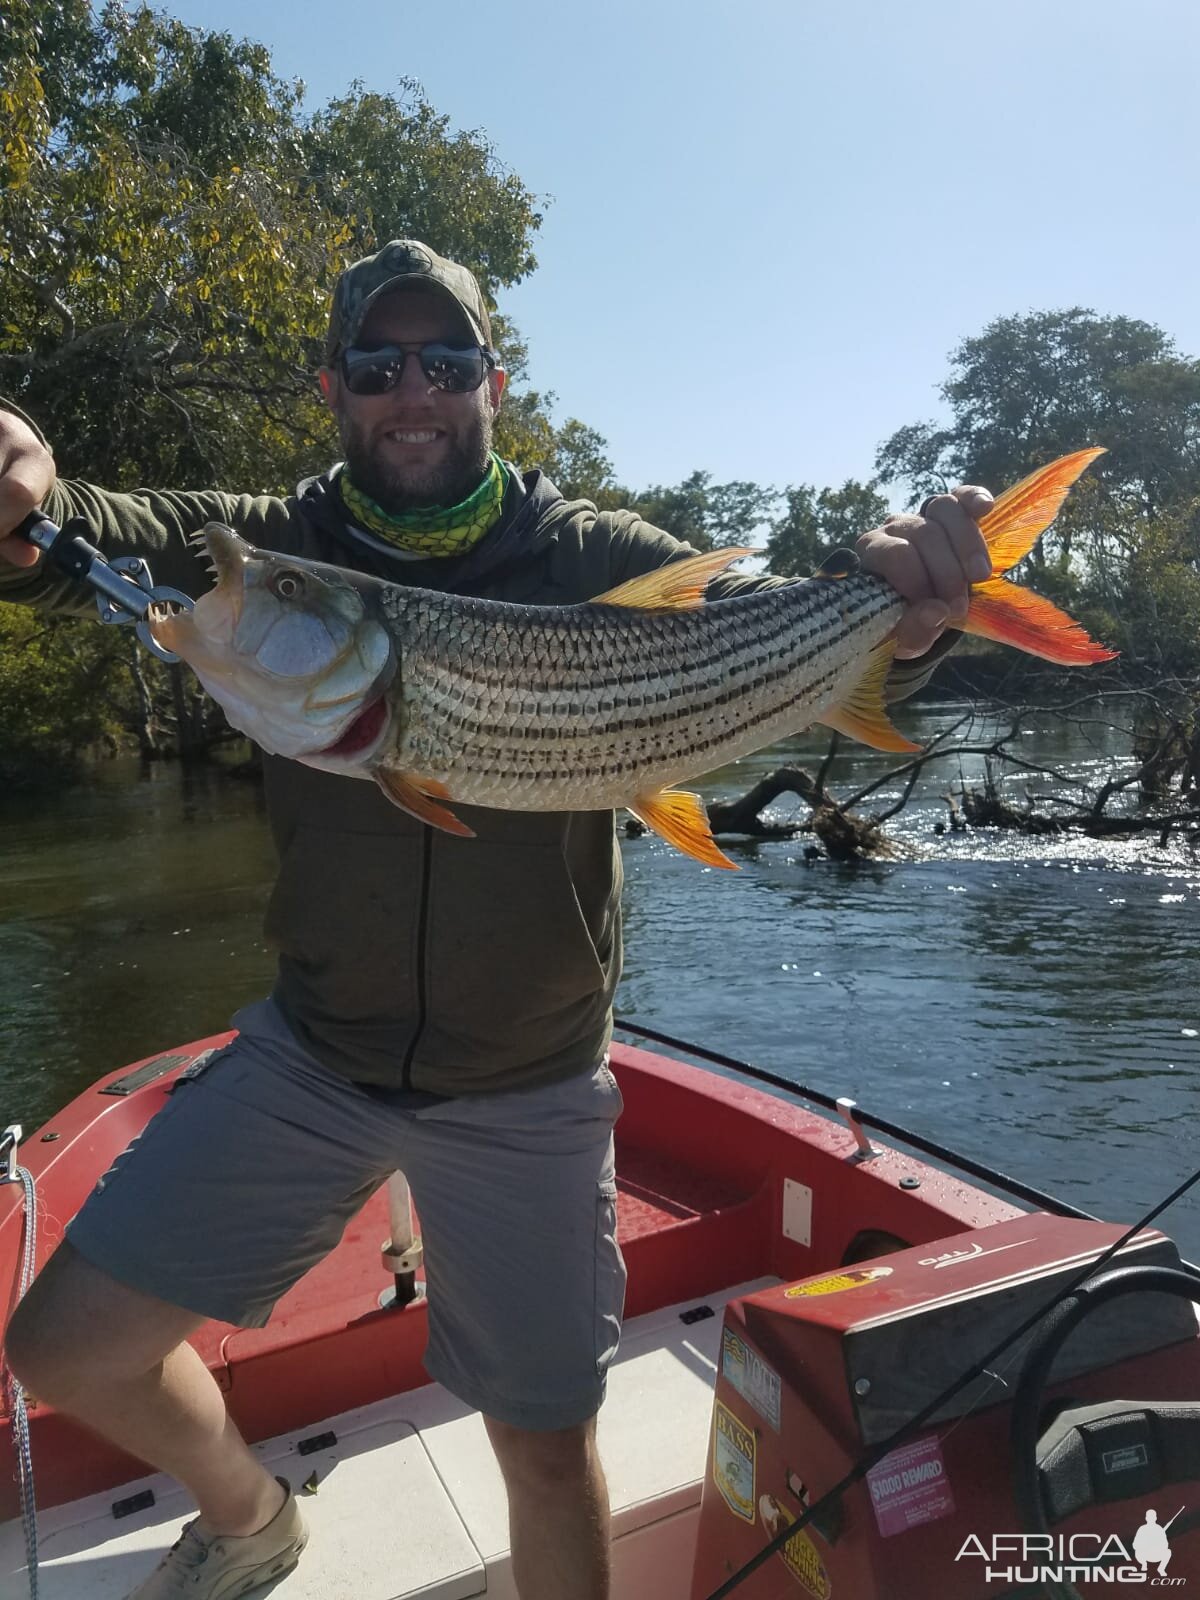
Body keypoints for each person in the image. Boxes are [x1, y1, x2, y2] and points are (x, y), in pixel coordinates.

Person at [0, 240, 994, 1600]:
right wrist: (31, 489)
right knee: (59, 1349)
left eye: (447, 361)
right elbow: (90, 537)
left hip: (527, 1078)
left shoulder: (594, 555)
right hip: (314, 1055)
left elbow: (779, 633)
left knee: (543, 1442)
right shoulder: (278, 544)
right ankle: (249, 1514)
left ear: (495, 384)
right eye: (377, 364)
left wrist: (910, 612)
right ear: (335, 390)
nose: (413, 390)